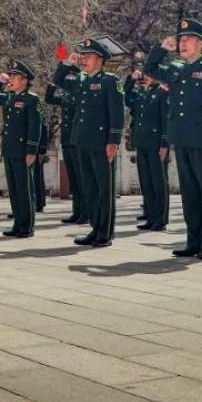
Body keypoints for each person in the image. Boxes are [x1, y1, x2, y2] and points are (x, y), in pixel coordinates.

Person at [144, 18, 202, 260]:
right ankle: (193, 241)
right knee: (189, 193)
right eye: (180, 39)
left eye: (188, 39)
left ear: (200, 43)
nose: (182, 43)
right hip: (181, 137)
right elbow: (150, 69)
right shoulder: (176, 69)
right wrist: (161, 49)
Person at [64, 39, 125, 247]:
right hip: (82, 141)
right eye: (82, 56)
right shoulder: (81, 81)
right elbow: (59, 80)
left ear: (99, 60)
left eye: (88, 56)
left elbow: (117, 114)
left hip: (102, 143)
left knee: (103, 190)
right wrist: (67, 63)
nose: (83, 59)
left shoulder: (110, 81)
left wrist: (113, 140)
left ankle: (105, 233)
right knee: (89, 188)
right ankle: (95, 228)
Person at [0, 61, 42, 238]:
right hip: (9, 149)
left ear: (24, 80)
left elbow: (35, 127)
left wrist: (31, 151)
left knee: (24, 189)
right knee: (13, 190)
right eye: (10, 76)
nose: (11, 79)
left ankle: (27, 226)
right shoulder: (10, 97)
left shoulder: (33, 100)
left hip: (23, 151)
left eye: (14, 76)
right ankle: (18, 224)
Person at [124, 67, 169, 231]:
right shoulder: (141, 93)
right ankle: (150, 217)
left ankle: (160, 219)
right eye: (145, 74)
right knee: (146, 182)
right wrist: (131, 80)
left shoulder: (163, 92)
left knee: (158, 182)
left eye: (150, 74)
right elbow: (127, 98)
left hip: (156, 144)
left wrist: (164, 144)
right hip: (142, 142)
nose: (147, 77)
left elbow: (166, 120)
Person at [47, 59, 86, 224]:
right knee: (74, 180)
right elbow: (49, 98)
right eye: (67, 76)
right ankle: (77, 212)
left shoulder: (81, 90)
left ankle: (85, 213)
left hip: (78, 140)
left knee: (82, 179)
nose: (68, 79)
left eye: (71, 76)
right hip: (67, 140)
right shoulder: (66, 94)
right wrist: (51, 84)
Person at [33, 121, 50, 213]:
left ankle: (39, 204)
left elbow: (43, 129)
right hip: (24, 149)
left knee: (37, 178)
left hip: (37, 150)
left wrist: (43, 151)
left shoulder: (38, 111)